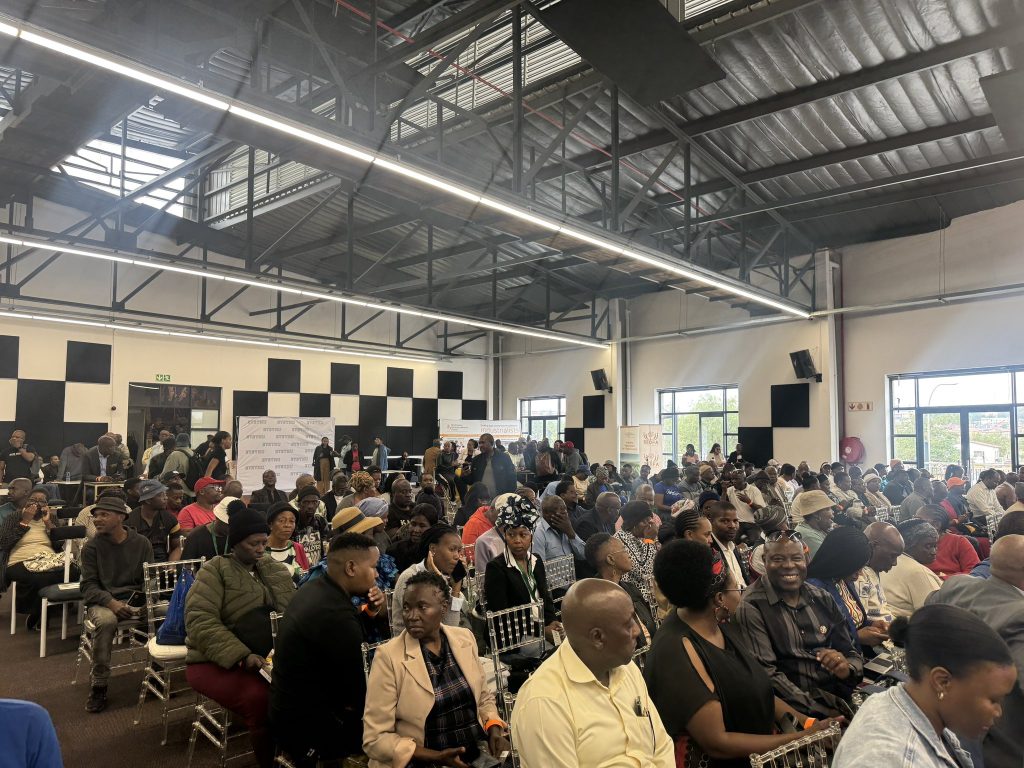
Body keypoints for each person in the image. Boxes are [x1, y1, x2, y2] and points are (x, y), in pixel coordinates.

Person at [647, 540, 835, 766]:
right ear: (719, 598)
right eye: (736, 586)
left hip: (765, 747)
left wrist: (809, 723)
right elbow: (717, 743)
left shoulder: (720, 624)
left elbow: (757, 691)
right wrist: (802, 738)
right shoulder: (677, 651)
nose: (742, 591)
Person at [511, 579, 674, 768]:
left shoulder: (626, 668)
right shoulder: (544, 703)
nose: (637, 630)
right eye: (628, 624)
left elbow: (661, 745)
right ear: (597, 637)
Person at [831, 604, 1017, 768]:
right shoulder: (895, 761)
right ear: (942, 682)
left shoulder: (897, 702)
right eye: (993, 700)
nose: (998, 712)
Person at [185, 505, 295, 768]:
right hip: (215, 658)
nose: (260, 549)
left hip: (268, 655)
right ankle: (269, 761)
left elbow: (293, 609)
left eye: (263, 543)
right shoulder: (215, 570)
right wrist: (242, 656)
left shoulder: (273, 568)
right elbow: (200, 621)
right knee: (262, 700)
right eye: (253, 544)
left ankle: (295, 752)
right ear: (235, 544)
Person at [363, 571, 508, 768]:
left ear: (444, 608)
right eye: (406, 607)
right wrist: (434, 756)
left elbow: (483, 697)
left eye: (422, 607)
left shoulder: (464, 639)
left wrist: (494, 727)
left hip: (472, 751)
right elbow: (375, 739)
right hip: (423, 761)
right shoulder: (389, 657)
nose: (412, 616)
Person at [271, 531, 385, 766]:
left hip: (287, 710)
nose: (376, 575)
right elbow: (359, 690)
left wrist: (370, 612)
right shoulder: (334, 614)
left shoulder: (317, 588)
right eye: (373, 567)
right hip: (309, 729)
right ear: (351, 568)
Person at [735, 532, 863, 718]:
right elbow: (767, 676)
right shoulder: (752, 606)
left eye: (796, 558)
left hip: (841, 697)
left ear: (806, 559)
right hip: (798, 714)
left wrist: (846, 669)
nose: (788, 565)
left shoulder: (822, 597)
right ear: (764, 561)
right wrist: (823, 713)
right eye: (778, 559)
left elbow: (851, 652)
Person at [925, 534, 1024, 768]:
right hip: (1003, 747)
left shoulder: (957, 586)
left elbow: (927, 612)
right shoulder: (1019, 617)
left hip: (946, 727)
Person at [80, 495, 154, 712]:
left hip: (135, 599)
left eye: (104, 514)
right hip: (104, 601)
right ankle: (99, 684)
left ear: (121, 517)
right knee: (106, 622)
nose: (97, 519)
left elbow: (150, 578)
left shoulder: (141, 543)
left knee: (168, 612)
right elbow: (88, 586)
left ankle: (158, 672)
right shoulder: (91, 547)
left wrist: (147, 600)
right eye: (95, 516)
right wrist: (111, 602)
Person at [484, 495, 561, 642]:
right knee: (554, 652)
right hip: (513, 637)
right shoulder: (496, 568)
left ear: (531, 536)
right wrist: (541, 630)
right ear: (505, 537)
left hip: (541, 627)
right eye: (511, 535)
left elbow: (546, 598)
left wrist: (552, 622)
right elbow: (503, 614)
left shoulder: (536, 561)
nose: (517, 540)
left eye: (523, 534)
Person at [0, 487, 77, 631]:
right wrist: (25, 521)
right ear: (26, 501)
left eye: (41, 501)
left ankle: (42, 611)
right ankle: (40, 612)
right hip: (20, 560)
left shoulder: (51, 518)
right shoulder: (14, 517)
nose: (36, 503)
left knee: (73, 570)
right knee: (39, 578)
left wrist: (48, 523)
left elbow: (58, 544)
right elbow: (4, 543)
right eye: (32, 499)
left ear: (46, 505)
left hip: (48, 559)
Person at [806, 527, 890, 652]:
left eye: (862, 567)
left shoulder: (842, 579)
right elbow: (817, 638)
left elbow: (852, 621)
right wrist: (857, 638)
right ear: (841, 562)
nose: (859, 574)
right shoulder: (814, 589)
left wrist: (872, 624)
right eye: (855, 567)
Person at [391, 525, 467, 634]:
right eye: (452, 549)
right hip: (410, 642)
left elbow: (451, 629)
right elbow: (441, 629)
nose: (457, 556)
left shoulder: (441, 577)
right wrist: (443, 583)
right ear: (433, 549)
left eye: (459, 551)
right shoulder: (409, 578)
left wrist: (456, 586)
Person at [585, 532, 657, 646]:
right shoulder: (598, 601)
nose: (629, 555)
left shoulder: (631, 588)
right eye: (623, 550)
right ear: (611, 559)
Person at [880, 519, 942, 618]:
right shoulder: (918, 572)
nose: (933, 552)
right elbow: (937, 614)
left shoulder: (887, 562)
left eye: (935, 546)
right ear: (908, 545)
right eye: (928, 546)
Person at [614, 501, 660, 614]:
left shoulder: (640, 535)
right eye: (645, 521)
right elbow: (644, 573)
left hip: (652, 593)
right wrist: (649, 541)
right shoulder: (620, 541)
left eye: (650, 519)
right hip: (638, 599)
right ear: (633, 523)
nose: (650, 524)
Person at [855, 521, 904, 625]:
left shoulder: (871, 571)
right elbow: (861, 621)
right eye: (892, 556)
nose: (895, 563)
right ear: (874, 546)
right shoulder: (857, 576)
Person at [915, 505, 980, 578]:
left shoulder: (959, 542)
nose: (913, 522)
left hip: (956, 584)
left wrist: (940, 579)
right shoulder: (912, 546)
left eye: (918, 519)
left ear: (936, 525)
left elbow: (975, 572)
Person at [125, 479, 181, 563]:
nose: (165, 498)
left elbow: (178, 546)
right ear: (148, 500)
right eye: (160, 495)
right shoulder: (129, 521)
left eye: (165, 494)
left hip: (163, 564)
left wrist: (171, 564)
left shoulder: (169, 518)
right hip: (139, 564)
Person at [532, 493, 586, 563]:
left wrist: (571, 533)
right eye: (560, 510)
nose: (565, 513)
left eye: (565, 509)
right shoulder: (538, 532)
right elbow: (538, 566)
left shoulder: (567, 527)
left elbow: (584, 555)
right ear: (546, 513)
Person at [264, 502, 310, 583]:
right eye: (281, 521)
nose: (287, 525)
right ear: (270, 524)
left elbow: (306, 579)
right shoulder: (260, 550)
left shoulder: (297, 548)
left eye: (291, 521)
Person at [387, 503, 439, 572]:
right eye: (413, 524)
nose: (416, 530)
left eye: (422, 526)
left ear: (432, 528)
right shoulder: (395, 551)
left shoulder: (438, 554)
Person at [707, 502, 747, 589]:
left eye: (735, 521)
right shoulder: (709, 552)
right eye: (725, 521)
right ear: (711, 522)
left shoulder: (733, 547)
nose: (732, 526)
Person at [181, 497, 233, 561]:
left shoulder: (238, 535)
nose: (231, 528)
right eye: (227, 524)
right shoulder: (196, 535)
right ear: (217, 517)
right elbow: (186, 565)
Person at [291, 485, 329, 567]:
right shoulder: (292, 522)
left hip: (318, 567)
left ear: (318, 504)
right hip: (298, 567)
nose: (310, 506)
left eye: (314, 502)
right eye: (306, 502)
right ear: (299, 504)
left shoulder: (321, 521)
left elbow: (325, 546)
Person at [792, 490, 835, 559]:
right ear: (815, 514)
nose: (833, 512)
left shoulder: (815, 528)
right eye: (828, 509)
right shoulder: (809, 536)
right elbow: (831, 560)